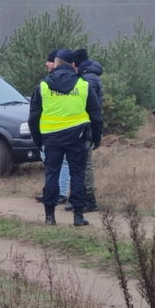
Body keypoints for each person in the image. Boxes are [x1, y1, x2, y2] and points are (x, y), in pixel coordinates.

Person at [29, 49, 103, 227]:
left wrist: (38, 140)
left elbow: (33, 117)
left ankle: (49, 217)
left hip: (51, 138)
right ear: (73, 65)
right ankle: (78, 216)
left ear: (56, 63)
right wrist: (97, 138)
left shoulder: (43, 85)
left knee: (51, 174)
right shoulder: (83, 85)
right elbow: (96, 115)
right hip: (77, 137)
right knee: (77, 174)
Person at [64, 47, 104, 213]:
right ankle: (77, 198)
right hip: (84, 126)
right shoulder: (90, 76)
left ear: (76, 63)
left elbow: (91, 108)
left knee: (85, 164)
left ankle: (89, 199)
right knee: (80, 163)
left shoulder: (87, 80)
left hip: (84, 127)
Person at [35, 50, 70, 203]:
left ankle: (59, 194)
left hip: (55, 131)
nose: (46, 64)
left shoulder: (47, 84)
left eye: (49, 61)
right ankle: (55, 192)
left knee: (59, 163)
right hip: (55, 129)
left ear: (56, 63)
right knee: (53, 162)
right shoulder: (75, 81)